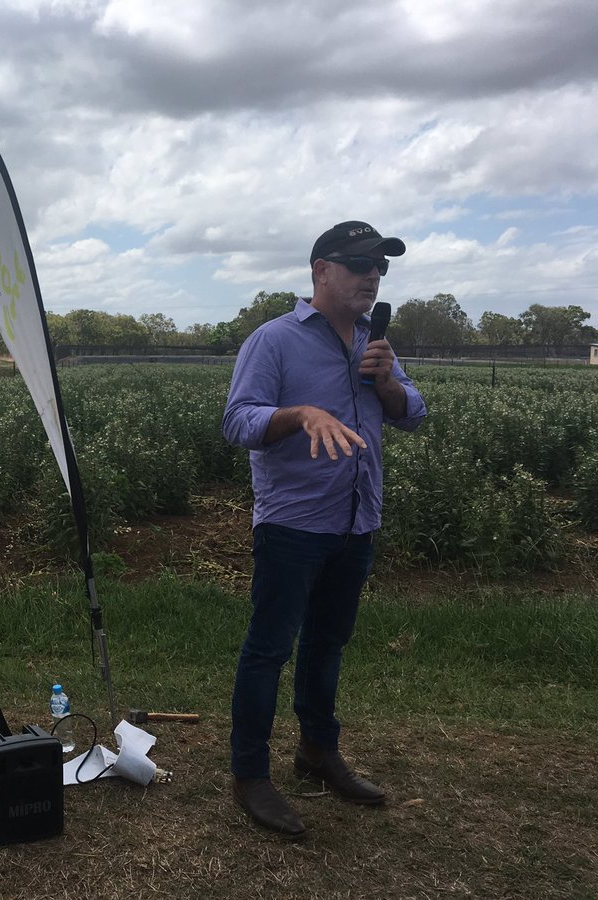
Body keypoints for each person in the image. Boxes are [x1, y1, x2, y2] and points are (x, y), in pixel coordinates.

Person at [221, 220, 427, 838]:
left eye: (381, 267)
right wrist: (301, 414)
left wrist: (387, 382)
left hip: (356, 521)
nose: (373, 275)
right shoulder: (274, 340)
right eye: (361, 262)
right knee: (268, 650)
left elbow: (413, 414)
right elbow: (237, 421)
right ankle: (250, 774)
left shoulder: (375, 342)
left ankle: (316, 752)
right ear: (321, 270)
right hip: (293, 525)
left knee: (327, 645)